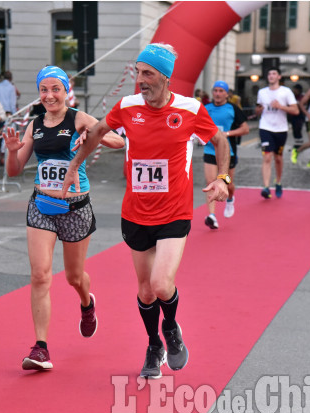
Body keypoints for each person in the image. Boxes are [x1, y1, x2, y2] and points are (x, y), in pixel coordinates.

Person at [60, 44, 230, 379]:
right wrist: (74, 165)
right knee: (145, 290)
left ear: (165, 77)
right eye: (138, 72)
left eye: (148, 73)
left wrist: (223, 178)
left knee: (162, 284)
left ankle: (171, 328)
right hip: (136, 213)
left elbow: (220, 141)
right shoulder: (127, 107)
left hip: (175, 211)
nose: (140, 80)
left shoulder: (189, 109)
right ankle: (154, 345)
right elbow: (97, 132)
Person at [2, 65, 124, 371]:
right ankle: (40, 347)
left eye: (55, 89)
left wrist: (91, 134)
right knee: (40, 275)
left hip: (76, 208)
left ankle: (87, 303)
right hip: (41, 205)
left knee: (73, 277)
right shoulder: (35, 124)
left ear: (65, 91)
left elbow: (118, 142)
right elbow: (14, 170)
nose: (49, 95)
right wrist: (12, 151)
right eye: (44, 89)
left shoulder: (78, 117)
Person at [203, 80, 249, 229]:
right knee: (210, 181)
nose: (217, 93)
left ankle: (230, 198)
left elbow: (245, 129)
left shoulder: (233, 109)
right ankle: (212, 215)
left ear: (227, 94)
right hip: (210, 150)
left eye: (221, 91)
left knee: (227, 183)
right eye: (215, 90)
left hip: (227, 152)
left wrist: (226, 134)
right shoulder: (205, 108)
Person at [255, 66, 299, 199]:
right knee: (267, 156)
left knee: (278, 158)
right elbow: (257, 111)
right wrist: (259, 110)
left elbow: (296, 111)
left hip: (281, 129)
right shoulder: (262, 92)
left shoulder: (286, 92)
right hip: (265, 127)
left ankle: (278, 182)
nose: (271, 76)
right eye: (269, 74)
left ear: (279, 77)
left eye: (274, 74)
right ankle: (266, 187)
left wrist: (280, 106)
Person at [288, 83, 306, 154]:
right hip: (293, 116)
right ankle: (297, 144)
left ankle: (299, 145)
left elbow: (302, 105)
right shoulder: (292, 97)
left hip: (300, 116)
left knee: (298, 130)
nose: (294, 91)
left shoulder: (302, 96)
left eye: (296, 89)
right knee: (295, 131)